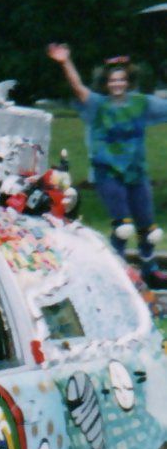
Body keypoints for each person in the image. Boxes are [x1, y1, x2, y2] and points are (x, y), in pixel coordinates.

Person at [48, 43, 167, 281]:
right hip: (108, 174)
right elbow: (78, 87)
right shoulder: (98, 105)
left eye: (121, 80)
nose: (117, 84)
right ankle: (117, 271)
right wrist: (65, 62)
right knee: (123, 227)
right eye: (113, 81)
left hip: (136, 173)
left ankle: (149, 269)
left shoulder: (141, 103)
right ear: (106, 83)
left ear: (128, 82)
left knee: (148, 227)